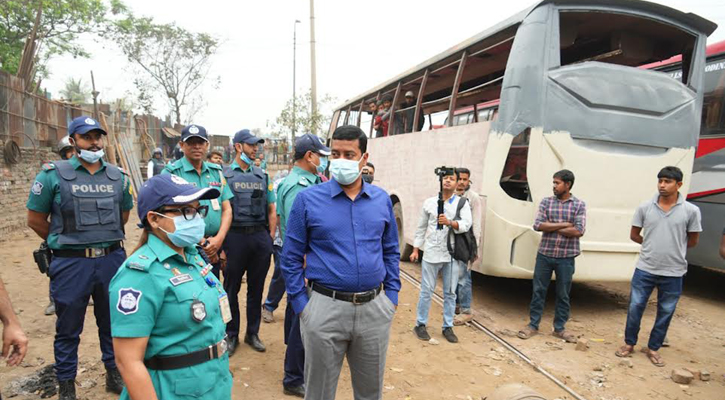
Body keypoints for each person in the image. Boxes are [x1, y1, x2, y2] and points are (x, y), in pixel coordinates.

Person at [281, 125, 400, 400]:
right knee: (319, 393)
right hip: (324, 310)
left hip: (374, 311)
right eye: (335, 154)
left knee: (370, 393)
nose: (340, 161)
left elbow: (391, 250)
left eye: (349, 154)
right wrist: (303, 305)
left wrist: (391, 296)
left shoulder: (381, 200)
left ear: (364, 158)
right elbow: (290, 257)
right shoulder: (308, 200)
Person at [26, 116, 131, 400]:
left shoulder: (118, 176)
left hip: (111, 260)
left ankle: (113, 373)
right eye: (87, 137)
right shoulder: (51, 175)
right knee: (69, 327)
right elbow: (35, 219)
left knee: (112, 323)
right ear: (73, 141)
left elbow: (123, 216)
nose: (94, 142)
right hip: (72, 263)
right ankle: (67, 386)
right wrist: (65, 241)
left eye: (98, 136)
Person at [109, 174, 232, 400]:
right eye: (185, 211)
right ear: (154, 219)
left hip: (214, 382)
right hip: (174, 390)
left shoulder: (193, 257)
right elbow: (128, 361)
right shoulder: (138, 276)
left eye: (197, 210)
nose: (195, 218)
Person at [264, 133, 330, 397]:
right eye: (321, 155)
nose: (324, 160)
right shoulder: (299, 187)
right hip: (303, 263)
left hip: (304, 262)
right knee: (302, 319)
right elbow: (295, 230)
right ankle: (293, 377)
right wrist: (302, 268)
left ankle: (296, 367)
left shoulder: (307, 181)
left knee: (295, 315)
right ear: (309, 156)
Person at [615, 166, 701, 367]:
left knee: (666, 311)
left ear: (679, 185)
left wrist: (673, 249)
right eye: (660, 180)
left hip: (674, 271)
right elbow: (634, 235)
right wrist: (652, 246)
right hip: (645, 268)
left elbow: (693, 240)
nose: (662, 185)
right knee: (635, 307)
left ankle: (653, 348)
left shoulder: (691, 211)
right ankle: (629, 344)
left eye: (668, 181)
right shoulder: (645, 207)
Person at [223, 129, 277, 354]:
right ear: (238, 147)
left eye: (257, 145)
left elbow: (272, 210)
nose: (256, 149)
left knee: (256, 289)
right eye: (251, 145)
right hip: (233, 238)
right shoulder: (223, 176)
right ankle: (231, 333)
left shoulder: (263, 176)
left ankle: (252, 333)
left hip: (259, 238)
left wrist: (269, 240)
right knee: (230, 289)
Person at [518, 169, 586, 343]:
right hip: (545, 254)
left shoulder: (579, 205)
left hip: (566, 257)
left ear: (567, 184)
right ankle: (533, 325)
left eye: (557, 183)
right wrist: (564, 224)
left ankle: (560, 328)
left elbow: (578, 230)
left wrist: (552, 226)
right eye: (553, 182)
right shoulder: (546, 202)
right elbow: (538, 225)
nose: (554, 186)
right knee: (538, 290)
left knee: (563, 293)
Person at [162, 125, 233, 279]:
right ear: (181, 145)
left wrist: (219, 240)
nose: (196, 146)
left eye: (200, 142)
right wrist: (204, 244)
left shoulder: (216, 172)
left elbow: (226, 208)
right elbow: (167, 214)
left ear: (207, 145)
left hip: (215, 245)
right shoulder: (171, 172)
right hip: (186, 247)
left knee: (211, 292)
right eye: (191, 142)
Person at [410, 169, 471, 343]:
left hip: (451, 254)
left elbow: (466, 224)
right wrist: (415, 249)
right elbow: (421, 227)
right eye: (445, 178)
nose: (448, 181)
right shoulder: (429, 203)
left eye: (452, 179)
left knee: (450, 292)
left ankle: (447, 326)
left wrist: (450, 223)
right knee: (426, 290)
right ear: (440, 181)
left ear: (457, 182)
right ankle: (420, 324)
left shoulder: (462, 203)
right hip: (430, 253)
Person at [454, 167, 482, 326]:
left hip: (466, 241)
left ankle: (466, 310)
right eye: (460, 179)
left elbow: (476, 223)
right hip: (453, 242)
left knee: (464, 276)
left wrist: (475, 247)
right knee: (454, 274)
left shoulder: (473, 198)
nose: (463, 182)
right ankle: (457, 305)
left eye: (466, 179)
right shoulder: (450, 194)